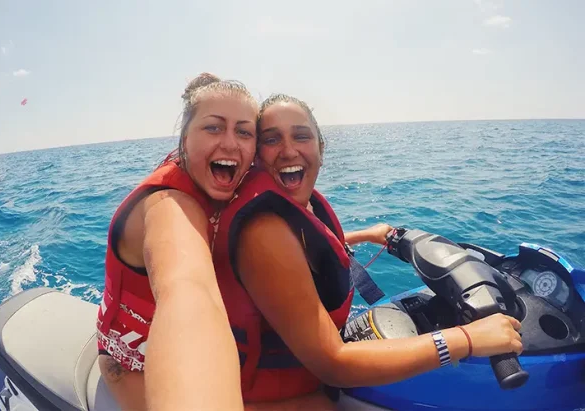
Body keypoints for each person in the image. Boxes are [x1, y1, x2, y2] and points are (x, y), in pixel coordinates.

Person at [212, 94, 523, 408]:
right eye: (272, 139)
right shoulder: (264, 232)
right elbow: (333, 365)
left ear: (320, 148)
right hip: (278, 399)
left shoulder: (297, 205)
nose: (289, 150)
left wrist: (366, 235)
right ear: (255, 156)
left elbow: (308, 246)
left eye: (301, 136)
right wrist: (467, 340)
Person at [96, 73, 258, 410]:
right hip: (134, 370)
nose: (230, 143)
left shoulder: (212, 180)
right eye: (213, 127)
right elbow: (187, 291)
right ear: (184, 138)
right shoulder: (169, 206)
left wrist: (361, 236)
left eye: (244, 131)